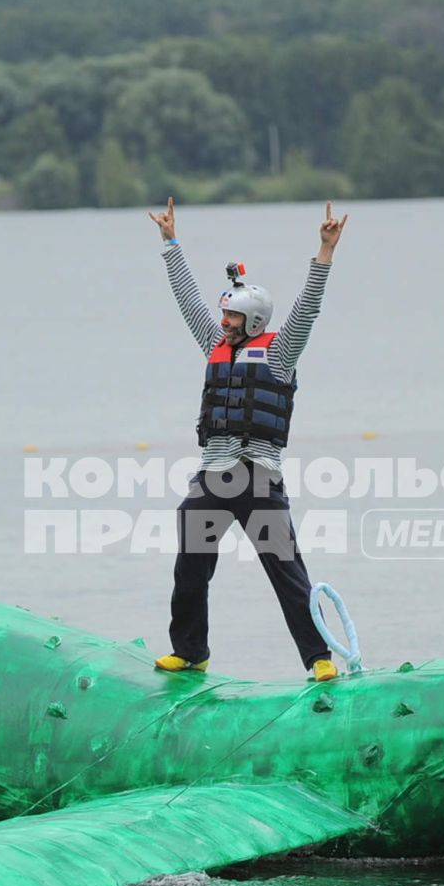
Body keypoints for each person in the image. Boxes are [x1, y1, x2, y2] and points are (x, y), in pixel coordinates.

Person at [147, 196, 348, 682]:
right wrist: (171, 243)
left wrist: (324, 252)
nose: (223, 322)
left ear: (253, 321)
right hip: (212, 477)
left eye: (232, 317)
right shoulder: (213, 344)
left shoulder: (279, 354)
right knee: (189, 570)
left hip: (259, 477)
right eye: (225, 316)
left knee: (286, 571)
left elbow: (309, 308)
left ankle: (318, 658)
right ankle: (191, 651)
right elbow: (188, 301)